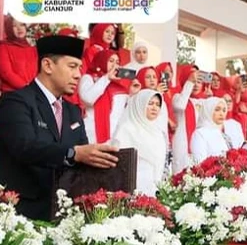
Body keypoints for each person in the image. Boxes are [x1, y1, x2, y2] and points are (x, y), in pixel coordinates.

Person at [0, 35, 119, 221]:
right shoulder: (16, 101)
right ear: (47, 65)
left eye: (80, 68)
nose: (78, 74)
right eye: (72, 66)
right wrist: (73, 153)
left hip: (63, 216)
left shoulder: (73, 111)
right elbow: (24, 146)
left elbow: (83, 158)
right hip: (23, 216)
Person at [111, 89, 166, 196]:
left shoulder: (158, 133)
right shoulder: (126, 129)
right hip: (130, 189)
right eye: (150, 103)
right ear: (139, 104)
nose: (154, 108)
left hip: (153, 190)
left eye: (158, 104)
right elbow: (117, 165)